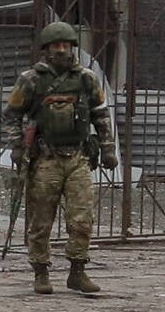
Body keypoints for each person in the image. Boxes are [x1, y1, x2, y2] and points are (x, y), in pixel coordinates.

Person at [4, 21, 115, 296]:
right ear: (47, 49)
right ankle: (41, 271)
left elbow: (101, 113)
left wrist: (108, 147)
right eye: (56, 46)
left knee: (81, 218)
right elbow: (12, 115)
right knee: (41, 220)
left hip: (77, 157)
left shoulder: (87, 78)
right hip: (45, 159)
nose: (62, 51)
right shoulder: (31, 79)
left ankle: (77, 271)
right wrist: (17, 146)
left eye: (66, 46)